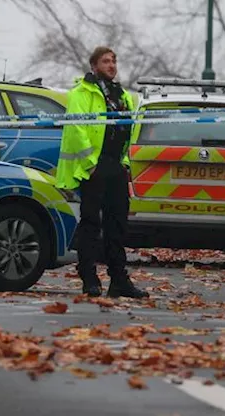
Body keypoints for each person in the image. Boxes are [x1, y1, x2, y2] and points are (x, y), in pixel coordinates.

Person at [56, 46, 147, 299]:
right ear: (94, 66)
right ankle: (89, 278)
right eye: (106, 61)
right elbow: (76, 129)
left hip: (115, 166)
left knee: (117, 225)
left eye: (114, 61)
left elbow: (129, 129)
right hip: (94, 168)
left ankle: (119, 280)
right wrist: (90, 165)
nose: (112, 65)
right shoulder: (81, 93)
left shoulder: (122, 95)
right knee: (91, 224)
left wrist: (125, 164)